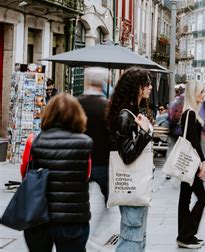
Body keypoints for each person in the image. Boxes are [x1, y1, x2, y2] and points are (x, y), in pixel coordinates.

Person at [21, 93, 93, 252]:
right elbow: (87, 174)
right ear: (77, 116)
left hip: (39, 215)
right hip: (73, 217)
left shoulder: (35, 141)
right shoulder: (85, 143)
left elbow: (25, 172)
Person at [106, 67, 153, 251]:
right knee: (132, 237)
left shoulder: (132, 113)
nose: (150, 87)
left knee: (138, 235)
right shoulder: (125, 116)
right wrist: (144, 132)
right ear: (136, 87)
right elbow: (127, 155)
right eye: (146, 84)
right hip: (132, 183)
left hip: (138, 183)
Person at [176, 81, 205, 249]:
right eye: (201, 91)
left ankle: (185, 235)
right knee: (201, 199)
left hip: (190, 162)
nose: (204, 94)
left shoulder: (190, 113)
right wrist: (202, 162)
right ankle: (186, 234)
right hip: (191, 162)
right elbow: (193, 141)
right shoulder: (189, 114)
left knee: (185, 199)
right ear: (193, 93)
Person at [78, 67, 112, 201]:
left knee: (79, 194)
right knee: (107, 194)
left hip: (81, 157)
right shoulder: (107, 106)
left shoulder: (77, 103)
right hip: (102, 158)